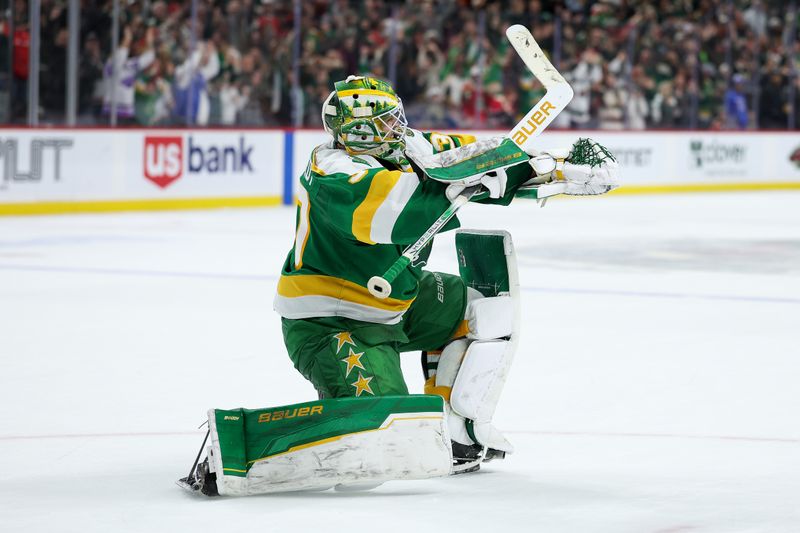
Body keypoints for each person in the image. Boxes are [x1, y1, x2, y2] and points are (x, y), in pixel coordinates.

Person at [180, 75, 619, 497]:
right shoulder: (334, 172)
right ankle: (240, 448)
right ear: (361, 132)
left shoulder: (409, 145)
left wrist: (552, 169)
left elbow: (467, 161)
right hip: (332, 323)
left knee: (483, 308)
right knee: (383, 445)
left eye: (396, 117)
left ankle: (456, 432)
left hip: (398, 300)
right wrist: (480, 175)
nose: (398, 127)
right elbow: (405, 208)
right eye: (386, 122)